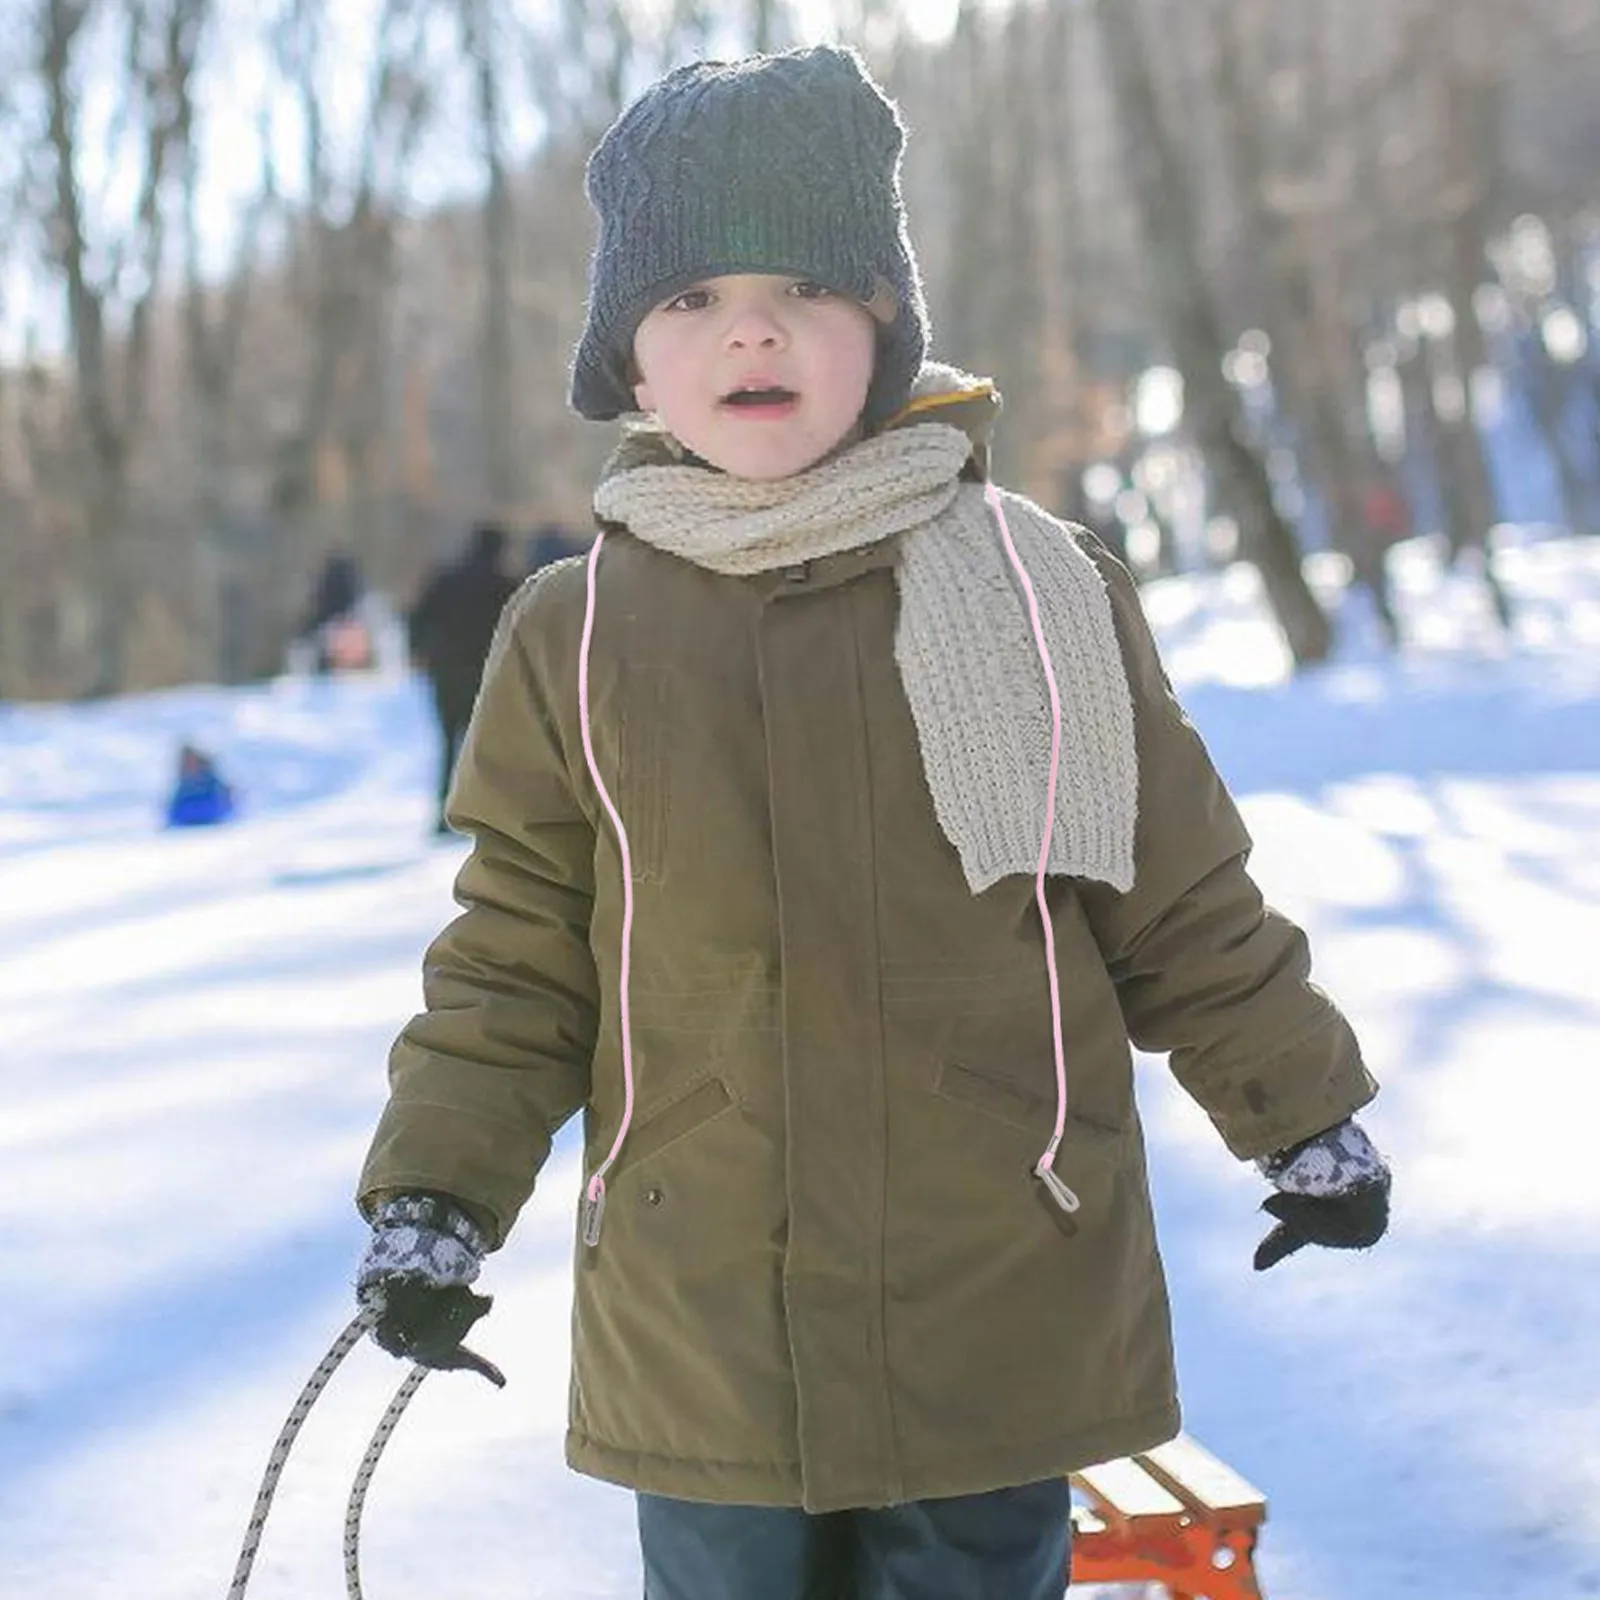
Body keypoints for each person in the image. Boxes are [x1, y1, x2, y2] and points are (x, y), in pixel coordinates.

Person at [353, 47, 1391, 1600]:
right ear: (630, 361)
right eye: (692, 296)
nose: (752, 327)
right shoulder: (576, 631)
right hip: (703, 1297)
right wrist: (437, 1194)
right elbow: (517, 955)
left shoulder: (1038, 589)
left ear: (887, 327)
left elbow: (1178, 897)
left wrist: (1302, 1110)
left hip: (996, 1273)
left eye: (805, 286)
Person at [405, 521, 519, 834]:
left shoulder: (446, 579)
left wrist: (418, 652)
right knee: (482, 748)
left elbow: (417, 618)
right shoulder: (504, 585)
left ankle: (444, 814)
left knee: (448, 742)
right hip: (484, 675)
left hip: (444, 672)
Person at [164, 742, 235, 828]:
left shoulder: (213, 784)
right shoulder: (183, 787)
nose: (190, 765)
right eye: (186, 762)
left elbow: (219, 810)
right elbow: (174, 814)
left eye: (192, 761)